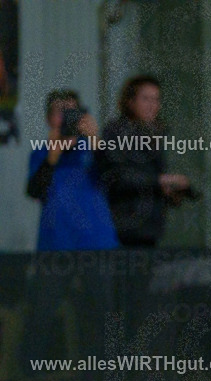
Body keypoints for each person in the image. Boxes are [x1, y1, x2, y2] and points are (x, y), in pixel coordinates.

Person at [97, 75, 191, 247]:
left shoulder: (155, 133)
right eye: (146, 99)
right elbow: (118, 176)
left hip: (150, 225)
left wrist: (169, 190)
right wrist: (161, 181)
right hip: (125, 223)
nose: (152, 106)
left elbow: (151, 173)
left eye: (156, 100)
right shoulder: (116, 132)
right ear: (130, 102)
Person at [26, 90, 119, 250]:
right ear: (48, 119)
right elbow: (34, 192)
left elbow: (114, 180)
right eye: (59, 113)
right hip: (56, 242)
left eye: (71, 112)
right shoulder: (41, 153)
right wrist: (51, 159)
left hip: (97, 241)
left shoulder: (93, 148)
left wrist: (95, 141)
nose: (65, 119)